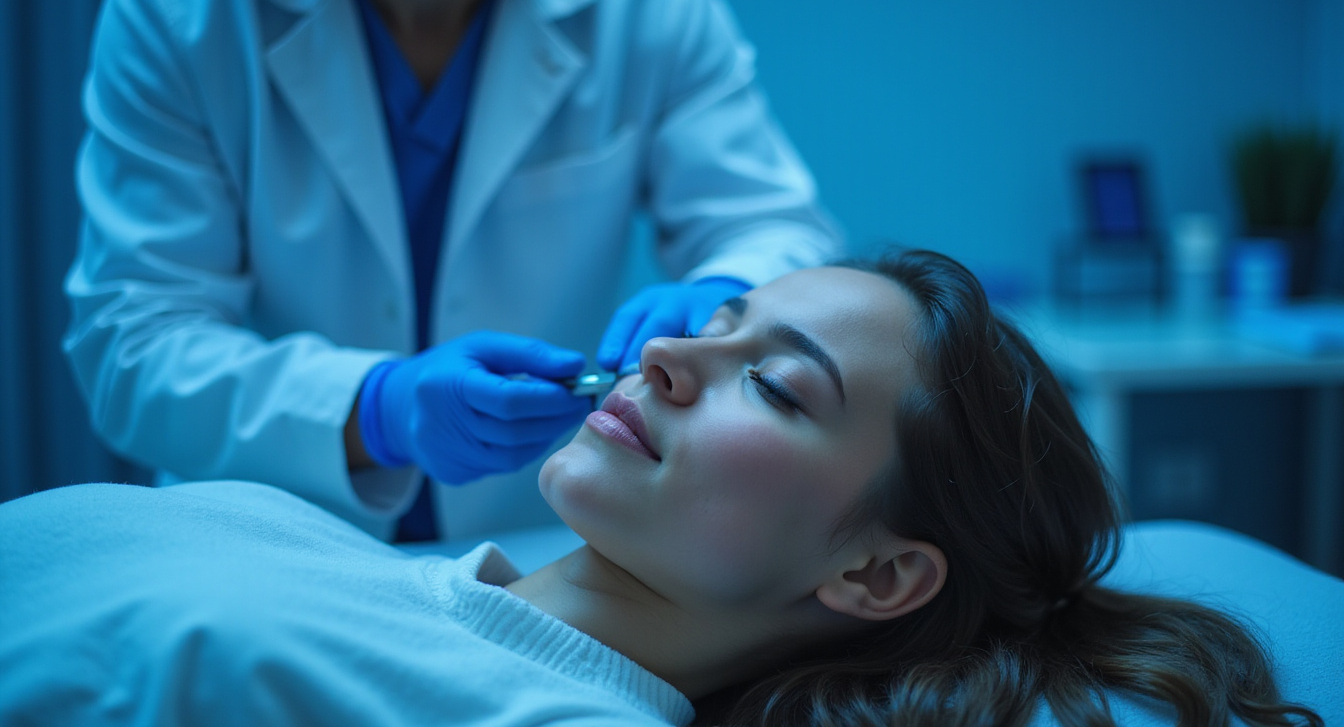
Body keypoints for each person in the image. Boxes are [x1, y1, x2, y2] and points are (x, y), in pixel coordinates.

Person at [6, 250, 1328, 725]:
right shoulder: (348, 564)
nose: (672, 350)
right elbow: (128, 322)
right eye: (724, 316)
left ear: (873, 572)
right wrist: (373, 408)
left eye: (781, 383)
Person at [61, 0, 840, 542]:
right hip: (268, 539)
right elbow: (132, 346)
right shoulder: (180, 5)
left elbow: (778, 229)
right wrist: (375, 409)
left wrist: (732, 293)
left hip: (528, 538)